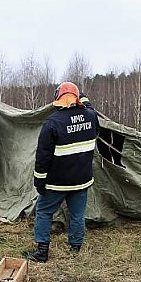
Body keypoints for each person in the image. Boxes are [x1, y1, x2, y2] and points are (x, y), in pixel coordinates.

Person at [25, 82, 99, 263]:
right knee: (77, 214)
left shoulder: (52, 123)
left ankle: (42, 252)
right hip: (82, 180)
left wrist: (39, 181)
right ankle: (75, 247)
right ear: (77, 98)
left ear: (58, 98)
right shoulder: (91, 117)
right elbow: (90, 109)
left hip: (57, 182)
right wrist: (82, 98)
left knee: (43, 212)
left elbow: (42, 157)